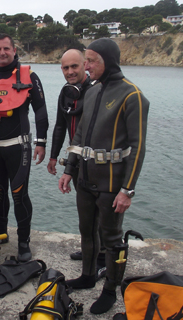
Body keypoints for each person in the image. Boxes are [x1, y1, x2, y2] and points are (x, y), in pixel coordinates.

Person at [58, 38, 149, 314]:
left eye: (91, 61)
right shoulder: (93, 92)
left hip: (111, 184)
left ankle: (110, 289)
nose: (86, 66)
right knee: (87, 231)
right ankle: (87, 276)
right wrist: (69, 170)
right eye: (85, 61)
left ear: (107, 61)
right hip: (85, 179)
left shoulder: (133, 96)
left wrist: (127, 190)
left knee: (112, 239)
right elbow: (81, 134)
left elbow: (138, 147)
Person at [0, 34, 48, 262]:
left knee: (19, 195)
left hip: (19, 147)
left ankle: (23, 241)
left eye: (6, 48)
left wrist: (41, 143)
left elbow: (41, 111)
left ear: (14, 50)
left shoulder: (29, 76)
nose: (2, 52)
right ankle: (1, 234)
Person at [48, 49, 107, 267]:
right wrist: (53, 156)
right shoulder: (66, 93)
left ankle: (103, 256)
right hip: (77, 159)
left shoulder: (99, 90)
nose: (70, 71)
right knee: (85, 210)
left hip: (97, 161)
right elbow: (60, 125)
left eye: (75, 66)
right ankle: (89, 248)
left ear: (85, 65)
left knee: (102, 210)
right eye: (66, 68)